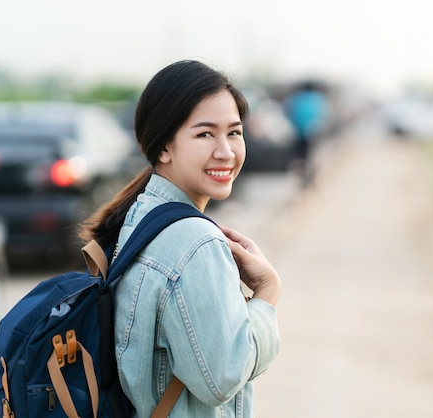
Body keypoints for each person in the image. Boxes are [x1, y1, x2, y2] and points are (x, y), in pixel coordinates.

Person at [78, 60, 281, 417]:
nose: (226, 151)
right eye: (205, 134)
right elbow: (221, 377)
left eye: (234, 132)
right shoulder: (195, 241)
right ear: (163, 148)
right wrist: (267, 291)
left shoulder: (138, 216)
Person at [283, 81, 331, 186]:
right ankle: (312, 177)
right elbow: (326, 116)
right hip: (315, 133)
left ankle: (303, 177)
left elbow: (288, 113)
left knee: (301, 157)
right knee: (314, 156)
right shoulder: (320, 99)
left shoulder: (296, 98)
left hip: (299, 133)